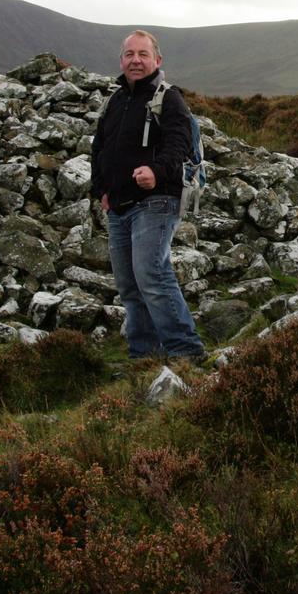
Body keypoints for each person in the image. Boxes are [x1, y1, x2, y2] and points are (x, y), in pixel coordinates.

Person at [89, 30, 203, 364]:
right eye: (129, 54)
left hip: (156, 201)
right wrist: (102, 191)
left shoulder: (169, 98)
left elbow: (179, 146)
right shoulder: (115, 101)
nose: (135, 61)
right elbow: (99, 149)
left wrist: (156, 171)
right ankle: (144, 356)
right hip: (119, 207)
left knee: (151, 274)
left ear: (157, 60)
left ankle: (186, 351)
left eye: (142, 54)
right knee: (128, 285)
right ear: (121, 60)